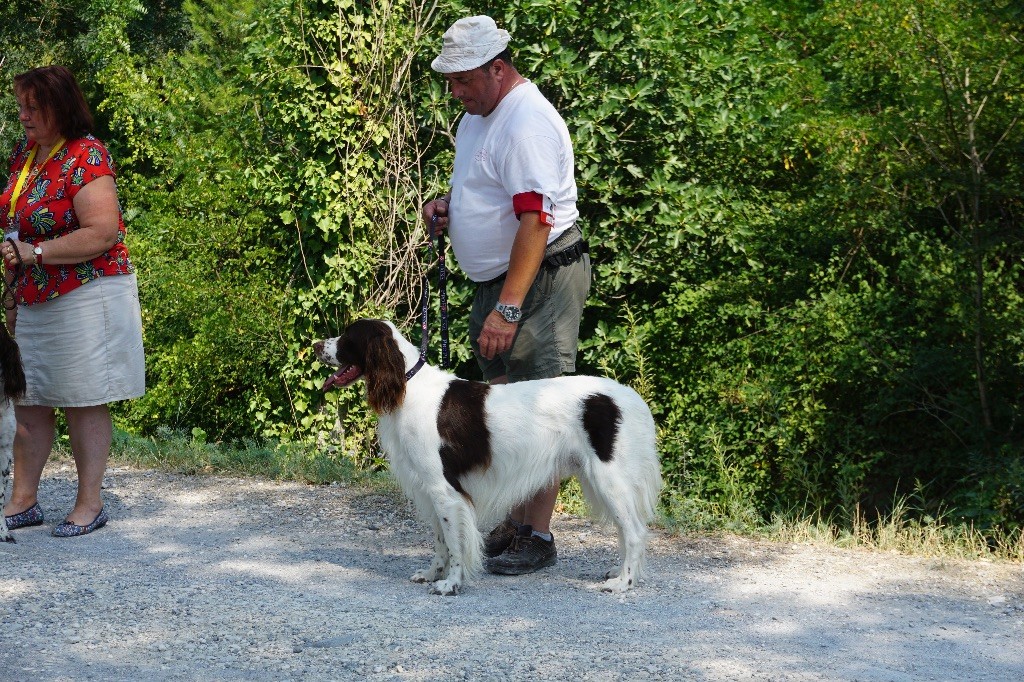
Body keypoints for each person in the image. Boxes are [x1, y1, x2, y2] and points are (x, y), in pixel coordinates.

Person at [421, 16, 591, 576]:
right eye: (450, 80)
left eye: (464, 79)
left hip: (538, 281)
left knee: (542, 410)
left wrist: (508, 306)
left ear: (499, 68)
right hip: (499, 280)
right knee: (506, 408)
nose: (455, 90)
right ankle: (516, 523)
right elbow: (487, 188)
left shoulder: (526, 121)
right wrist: (452, 211)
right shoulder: (479, 115)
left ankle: (537, 534)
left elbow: (536, 220)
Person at [0, 65, 145, 537]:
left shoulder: (87, 155)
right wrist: (14, 288)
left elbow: (104, 232)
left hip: (87, 293)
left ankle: (90, 504)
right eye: (20, 106)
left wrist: (35, 253)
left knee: (83, 399)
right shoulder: (25, 154)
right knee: (29, 399)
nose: (23, 115)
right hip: (35, 294)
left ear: (59, 107)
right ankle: (24, 500)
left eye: (32, 107)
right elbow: (17, 229)